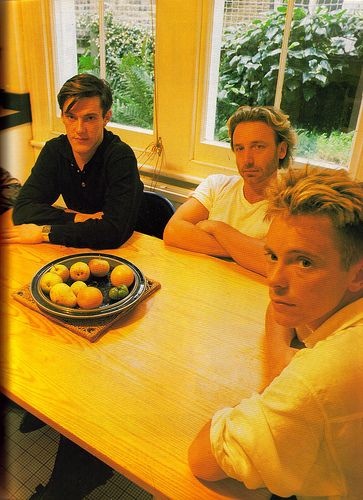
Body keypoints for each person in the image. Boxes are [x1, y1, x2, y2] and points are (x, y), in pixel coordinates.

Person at [188, 166, 363, 499]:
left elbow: (204, 459)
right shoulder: (339, 306)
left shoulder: (320, 377)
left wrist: (279, 383)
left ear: (358, 274)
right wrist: (280, 362)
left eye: (304, 262)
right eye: (272, 255)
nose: (274, 279)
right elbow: (278, 309)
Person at [1, 73, 143, 248]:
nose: (79, 129)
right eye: (71, 117)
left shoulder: (120, 157)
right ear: (62, 116)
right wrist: (78, 217)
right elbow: (23, 210)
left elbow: (113, 232)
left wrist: (46, 232)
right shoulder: (55, 151)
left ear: (106, 118)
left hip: (130, 250)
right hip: (79, 249)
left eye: (90, 118)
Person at [163, 105, 297, 276]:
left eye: (258, 147)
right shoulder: (216, 185)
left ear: (281, 150)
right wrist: (247, 250)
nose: (247, 160)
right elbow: (173, 231)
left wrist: (217, 228)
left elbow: (272, 264)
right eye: (240, 148)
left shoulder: (293, 204)